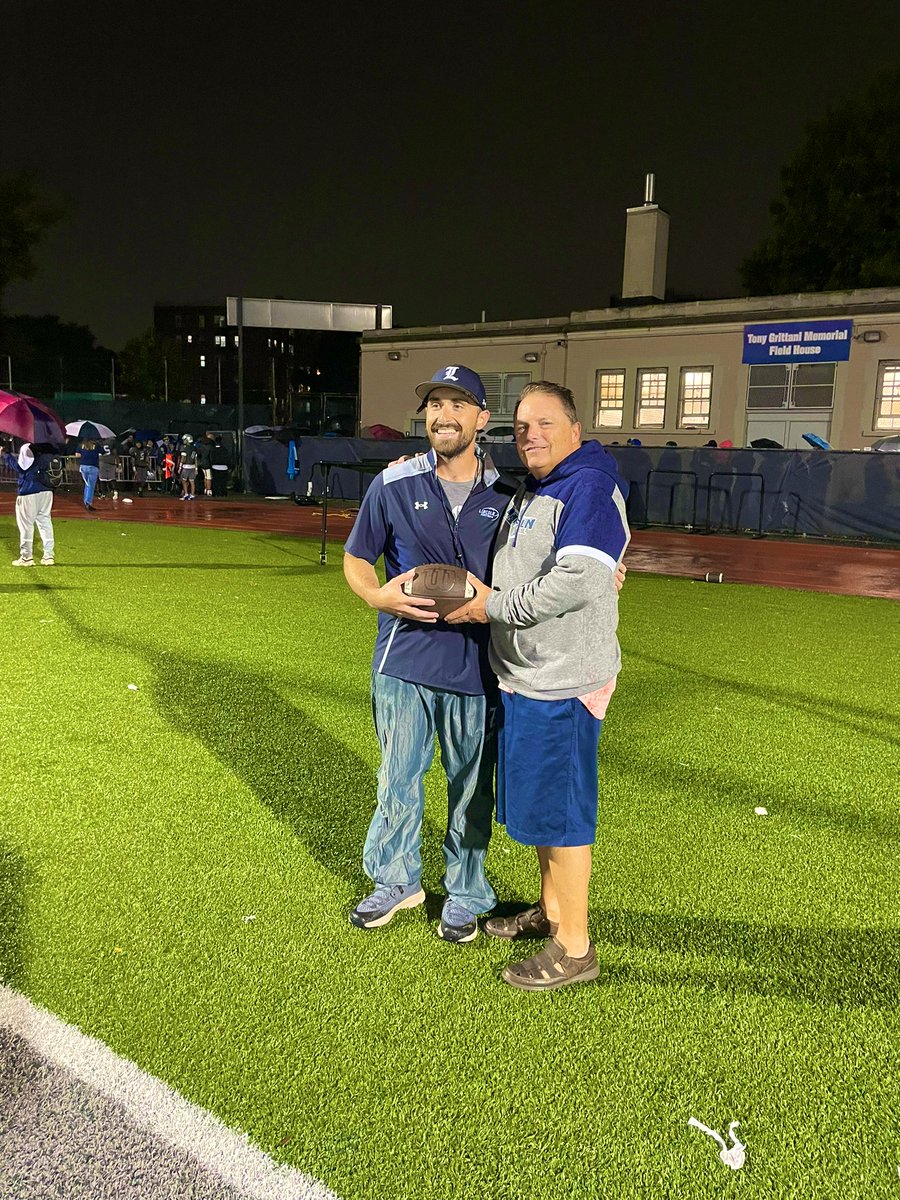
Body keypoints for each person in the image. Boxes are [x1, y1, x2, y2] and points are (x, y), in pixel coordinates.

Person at [447, 381, 630, 990]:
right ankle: (552, 913)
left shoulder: (589, 485)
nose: (531, 435)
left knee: (563, 816)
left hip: (562, 679)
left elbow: (576, 581)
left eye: (545, 423)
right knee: (544, 809)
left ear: (575, 429)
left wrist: (493, 607)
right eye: (522, 426)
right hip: (530, 676)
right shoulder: (541, 485)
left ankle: (574, 947)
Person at [342, 365, 512, 943]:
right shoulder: (393, 483)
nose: (444, 415)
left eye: (458, 405)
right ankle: (396, 880)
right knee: (398, 777)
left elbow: (553, 559)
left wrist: (607, 566)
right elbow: (358, 556)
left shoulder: (512, 495)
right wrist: (374, 594)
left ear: (482, 419)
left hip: (476, 664)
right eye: (436, 404)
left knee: (471, 785)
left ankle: (466, 891)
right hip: (403, 660)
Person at [2, 440, 56, 566]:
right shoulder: (48, 447)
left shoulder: (28, 447)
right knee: (45, 523)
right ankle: (49, 556)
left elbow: (21, 468)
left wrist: (6, 455)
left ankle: (26, 557)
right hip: (47, 490)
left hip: (29, 491)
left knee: (26, 525)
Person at [76, 439, 100, 510]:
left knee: (87, 484)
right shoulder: (96, 445)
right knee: (91, 485)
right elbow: (103, 452)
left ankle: (86, 500)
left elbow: (77, 455)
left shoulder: (81, 445)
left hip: (83, 466)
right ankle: (88, 502)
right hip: (93, 466)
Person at [179, 434, 199, 500]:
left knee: (184, 480)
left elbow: (183, 458)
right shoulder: (194, 448)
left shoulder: (184, 447)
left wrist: (180, 467)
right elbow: (195, 459)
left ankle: (186, 494)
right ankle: (192, 494)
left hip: (186, 467)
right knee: (192, 481)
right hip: (193, 467)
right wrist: (196, 468)